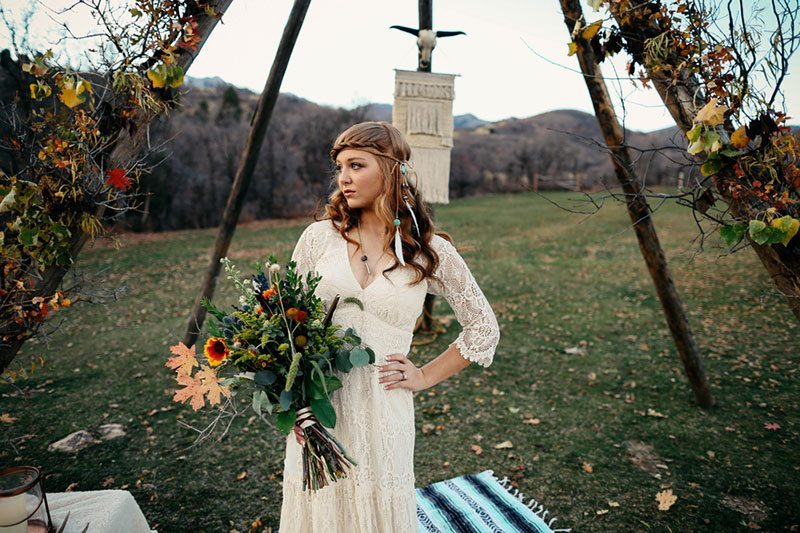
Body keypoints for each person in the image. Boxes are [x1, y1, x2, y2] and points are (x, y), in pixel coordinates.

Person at [279, 121, 500, 532]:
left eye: (357, 165)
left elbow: (483, 328)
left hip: (384, 408)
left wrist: (423, 376)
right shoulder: (318, 238)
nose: (343, 177)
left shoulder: (429, 251)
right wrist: (291, 398)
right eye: (340, 166)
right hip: (321, 407)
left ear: (390, 170)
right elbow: (287, 323)